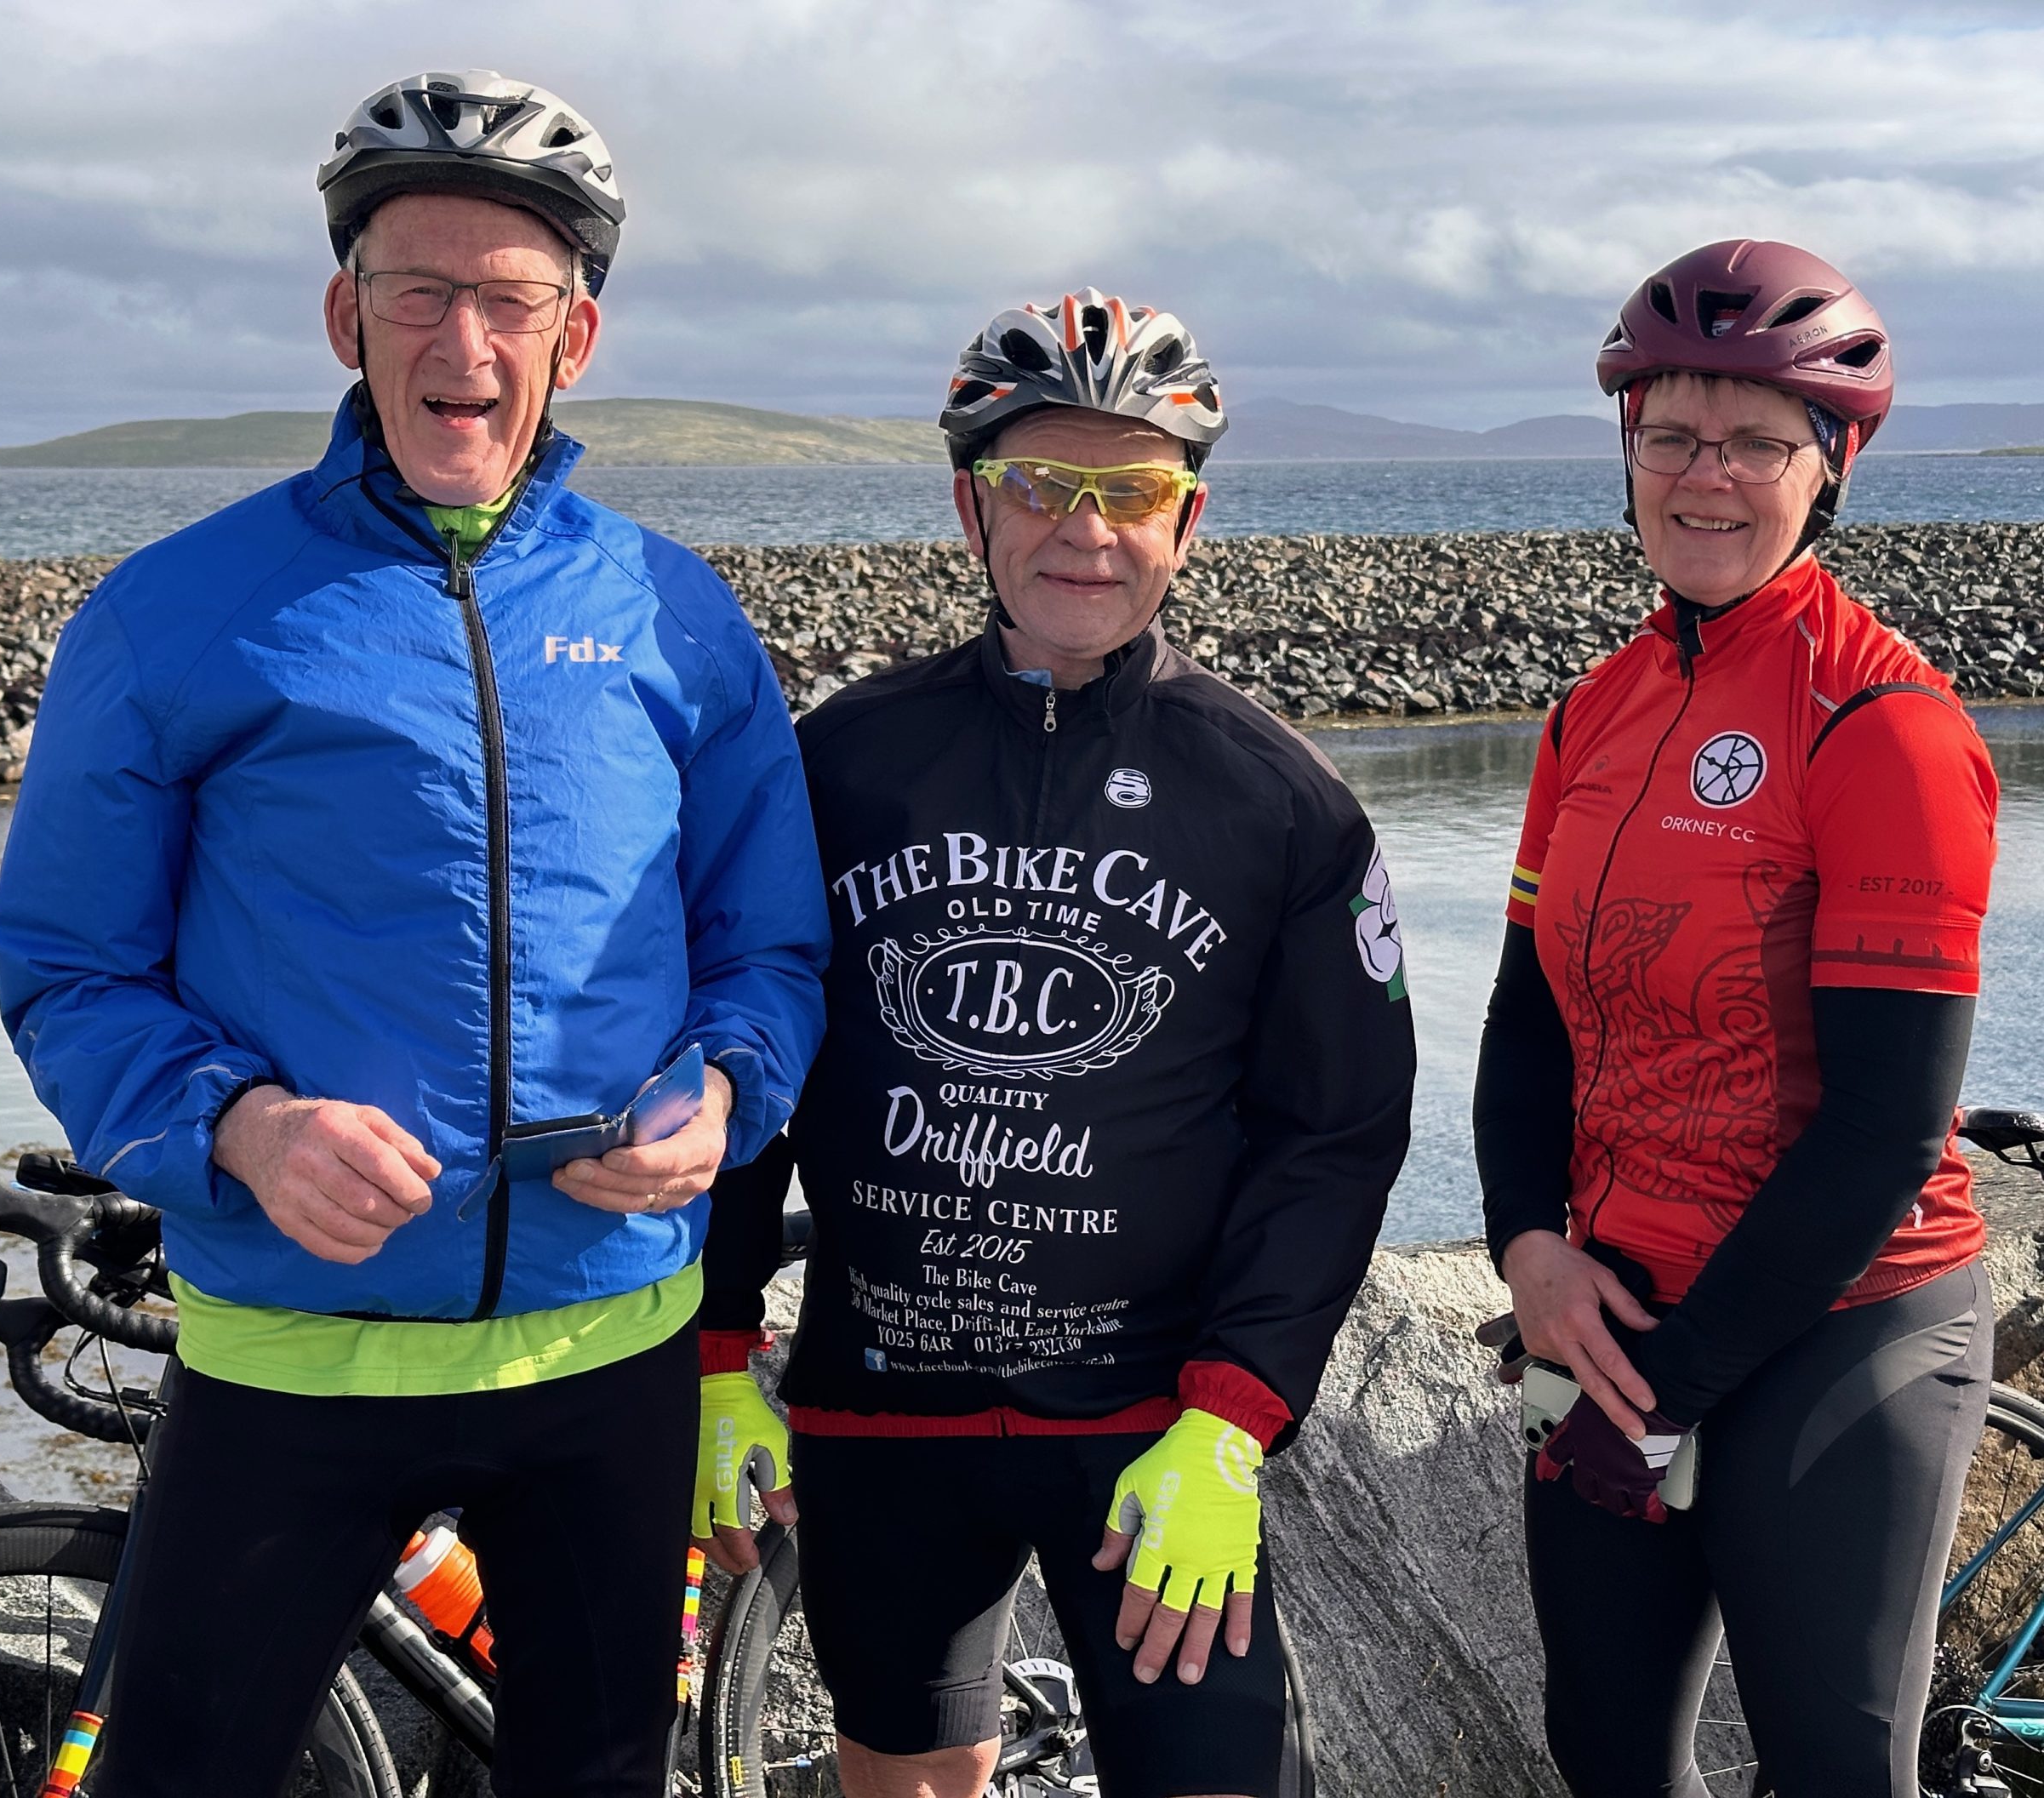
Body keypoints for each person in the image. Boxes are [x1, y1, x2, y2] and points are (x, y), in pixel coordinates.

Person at [0, 70, 828, 1797]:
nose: (465, 338)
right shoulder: (173, 614)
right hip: (289, 1357)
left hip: (609, 1359)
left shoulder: (675, 613)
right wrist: (240, 1125)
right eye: (416, 289)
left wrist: (731, 1096)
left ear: (572, 336)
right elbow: (67, 970)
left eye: (510, 298)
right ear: (341, 316)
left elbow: (771, 951)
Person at [695, 288, 1416, 1798]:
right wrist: (713, 1337)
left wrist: (1235, 1415)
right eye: (1041, 483)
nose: (1085, 529)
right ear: (971, 503)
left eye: (1132, 490)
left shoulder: (1281, 799)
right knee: (899, 1778)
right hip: (884, 1415)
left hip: (1151, 1436)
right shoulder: (841, 762)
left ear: (1189, 516)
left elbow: (1336, 1135)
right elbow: (746, 1052)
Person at [1474, 239, 1997, 1798]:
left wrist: (1673, 1381)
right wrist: (1528, 1245)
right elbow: (1527, 1020)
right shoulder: (1594, 710)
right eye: (1673, 435)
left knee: (1835, 1771)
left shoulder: (1883, 724)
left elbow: (1888, 1129)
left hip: (1844, 1317)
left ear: (1830, 465)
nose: (1708, 477)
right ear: (1627, 449)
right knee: (1607, 1751)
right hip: (1622, 1299)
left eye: (1758, 442)